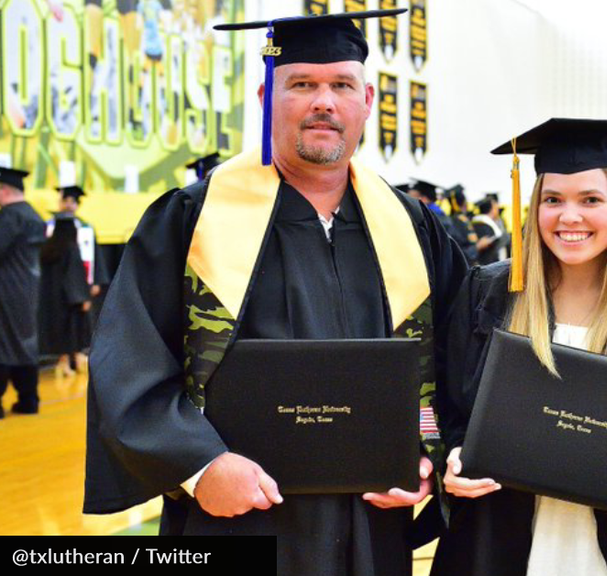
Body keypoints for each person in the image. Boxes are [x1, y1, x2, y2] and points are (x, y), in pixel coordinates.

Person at [83, 11, 467, 576]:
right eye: (302, 84)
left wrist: (427, 458)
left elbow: (456, 362)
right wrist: (199, 467)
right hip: (237, 516)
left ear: (366, 100)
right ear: (267, 95)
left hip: (374, 522)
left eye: (341, 85)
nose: (324, 102)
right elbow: (128, 358)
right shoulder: (193, 219)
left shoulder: (414, 227)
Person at [431, 118, 607, 576]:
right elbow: (445, 401)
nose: (569, 216)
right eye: (552, 200)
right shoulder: (489, 292)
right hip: (495, 538)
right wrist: (455, 453)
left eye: (591, 200)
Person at [40, 186, 108, 376]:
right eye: (65, 200)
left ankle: (78, 355)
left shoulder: (86, 228)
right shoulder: (49, 226)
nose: (68, 204)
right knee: (61, 319)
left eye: (72, 201)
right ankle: (64, 358)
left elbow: (95, 256)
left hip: (81, 282)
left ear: (77, 205)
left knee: (81, 320)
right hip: (57, 284)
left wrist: (95, 281)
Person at [0, 167, 46, 418]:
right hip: (28, 289)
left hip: (5, 290)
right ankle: (29, 399)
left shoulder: (9, 217)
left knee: (3, 343)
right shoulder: (33, 216)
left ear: (4, 191)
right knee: (26, 341)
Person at [38, 215, 92, 378]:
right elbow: (74, 275)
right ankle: (71, 362)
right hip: (69, 299)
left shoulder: (47, 248)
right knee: (72, 329)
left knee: (60, 330)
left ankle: (64, 361)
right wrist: (82, 297)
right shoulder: (70, 247)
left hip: (53, 299)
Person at [472, 195, 509, 265]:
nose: (498, 209)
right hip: (489, 267)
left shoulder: (477, 224)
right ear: (492, 210)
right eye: (496, 207)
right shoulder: (484, 226)